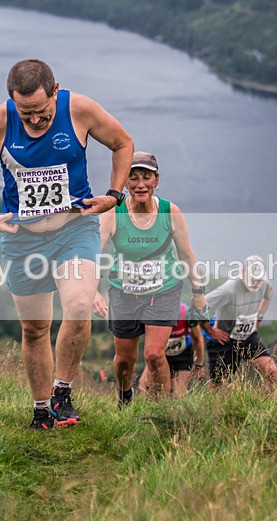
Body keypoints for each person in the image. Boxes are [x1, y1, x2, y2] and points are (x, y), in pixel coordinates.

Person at [0, 59, 133, 430]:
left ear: (55, 91)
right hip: (23, 240)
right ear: (13, 103)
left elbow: (122, 143)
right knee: (35, 328)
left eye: (42, 111)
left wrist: (114, 196)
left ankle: (62, 395)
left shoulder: (78, 109)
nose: (35, 120)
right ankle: (41, 412)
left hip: (74, 229)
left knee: (79, 306)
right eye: (26, 113)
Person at [92, 151, 206, 406]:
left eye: (147, 177)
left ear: (157, 181)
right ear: (125, 182)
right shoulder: (114, 212)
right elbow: (94, 253)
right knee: (125, 359)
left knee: (154, 355)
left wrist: (199, 291)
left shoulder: (170, 211)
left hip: (163, 290)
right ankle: (125, 396)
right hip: (124, 293)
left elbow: (187, 255)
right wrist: (93, 291)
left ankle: (163, 408)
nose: (140, 184)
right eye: (133, 178)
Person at [204, 255, 277, 384]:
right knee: (219, 385)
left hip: (247, 335)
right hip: (224, 338)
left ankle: (271, 402)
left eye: (258, 280)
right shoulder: (229, 290)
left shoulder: (264, 285)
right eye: (252, 279)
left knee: (271, 371)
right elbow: (197, 307)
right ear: (243, 273)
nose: (256, 283)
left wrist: (258, 319)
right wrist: (210, 332)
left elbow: (269, 292)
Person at [137, 302, 205, 397]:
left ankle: (174, 410)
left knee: (178, 395)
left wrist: (199, 366)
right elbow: (149, 348)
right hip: (162, 355)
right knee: (144, 386)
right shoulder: (154, 314)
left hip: (182, 356)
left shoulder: (186, 313)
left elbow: (198, 339)